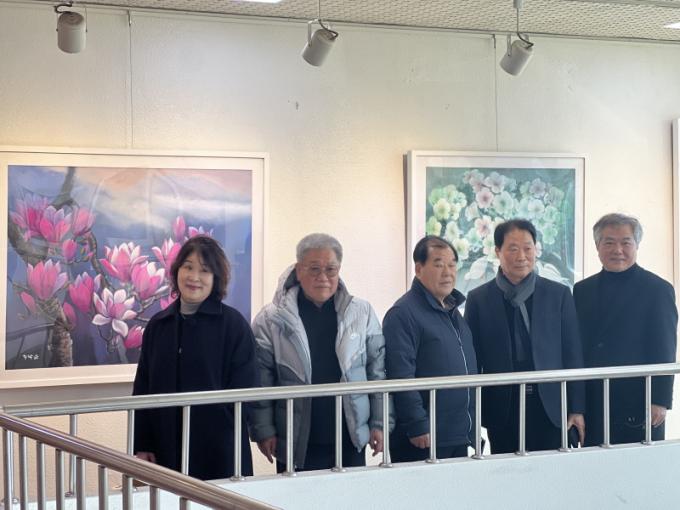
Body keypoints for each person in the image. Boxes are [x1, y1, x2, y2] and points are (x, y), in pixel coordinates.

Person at [249, 233, 389, 472]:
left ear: (339, 270)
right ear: (298, 270)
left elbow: (377, 371)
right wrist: (264, 430)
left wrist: (380, 423)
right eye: (314, 269)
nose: (323, 277)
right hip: (294, 438)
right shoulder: (271, 319)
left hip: (350, 435)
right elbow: (261, 379)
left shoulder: (361, 312)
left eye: (330, 270)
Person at [132, 235, 258, 480]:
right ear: (177, 271)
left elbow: (247, 388)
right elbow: (143, 389)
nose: (194, 277)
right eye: (188, 267)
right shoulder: (159, 325)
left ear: (216, 278)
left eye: (204, 270)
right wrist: (142, 443)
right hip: (164, 446)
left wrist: (220, 426)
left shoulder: (233, 325)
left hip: (219, 449)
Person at [465, 219, 585, 454]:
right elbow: (473, 361)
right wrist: (472, 415)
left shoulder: (558, 294)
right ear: (497, 251)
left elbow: (572, 354)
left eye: (528, 248)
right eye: (513, 248)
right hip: (502, 407)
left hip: (550, 405)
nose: (522, 256)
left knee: (551, 470)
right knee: (506, 471)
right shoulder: (479, 299)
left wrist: (577, 408)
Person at [573, 213, 677, 445]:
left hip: (640, 401)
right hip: (594, 399)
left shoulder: (658, 289)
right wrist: (575, 404)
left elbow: (665, 347)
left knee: (639, 465)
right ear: (597, 246)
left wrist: (660, 399)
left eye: (625, 242)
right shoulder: (581, 290)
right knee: (593, 463)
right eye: (609, 242)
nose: (617, 250)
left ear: (636, 245)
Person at [383, 235, 477, 462]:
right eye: (438, 264)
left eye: (452, 265)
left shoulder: (453, 312)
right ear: (418, 269)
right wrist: (417, 423)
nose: (448, 272)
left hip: (457, 433)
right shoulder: (403, 314)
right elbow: (400, 374)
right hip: (425, 436)